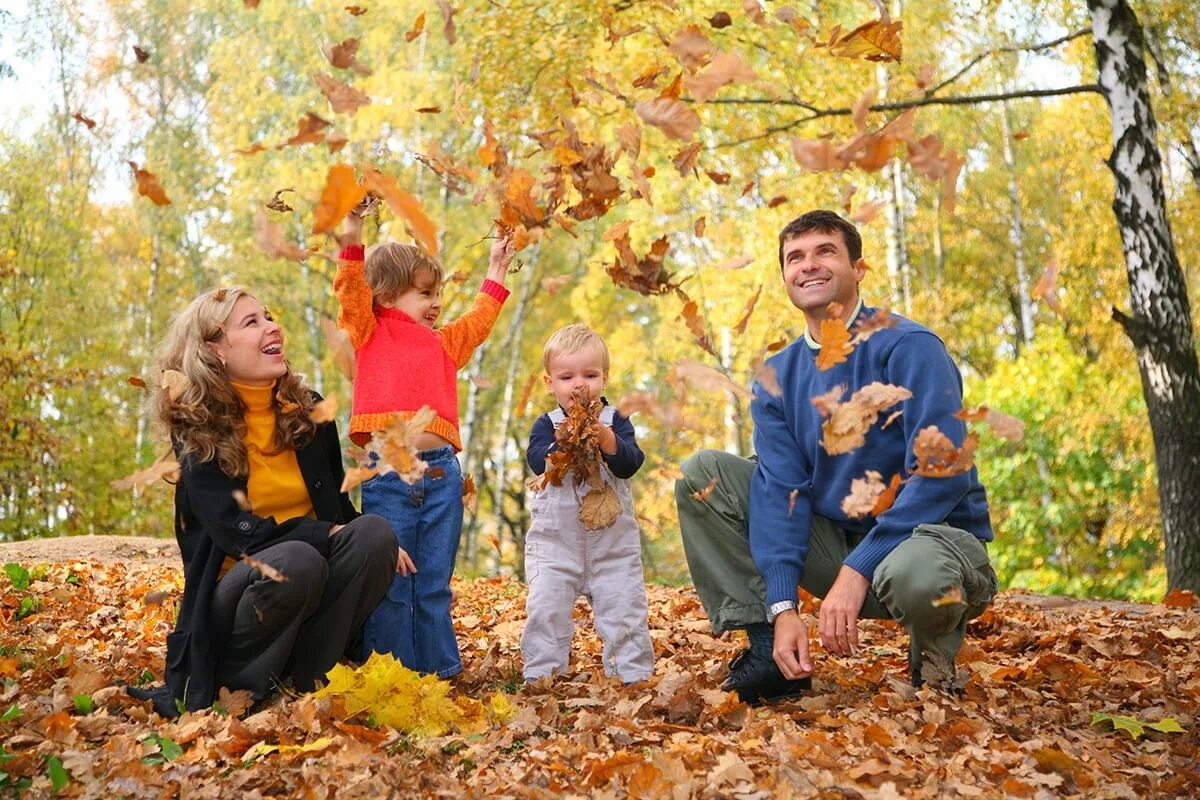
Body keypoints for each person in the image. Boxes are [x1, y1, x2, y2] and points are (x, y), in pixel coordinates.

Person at [675, 209, 996, 704]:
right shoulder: (777, 378)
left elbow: (943, 471)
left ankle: (933, 669)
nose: (809, 266)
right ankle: (771, 652)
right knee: (705, 475)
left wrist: (858, 568)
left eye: (825, 251)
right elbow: (781, 493)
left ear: (858, 268)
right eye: (795, 258)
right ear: (785, 276)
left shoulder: (909, 347)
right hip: (836, 543)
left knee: (918, 575)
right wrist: (783, 607)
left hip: (931, 545)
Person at [129, 287, 405, 718]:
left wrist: (366, 541)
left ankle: (310, 678)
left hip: (309, 571)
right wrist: (325, 534)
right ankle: (240, 692)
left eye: (269, 316)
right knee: (293, 559)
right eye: (251, 322)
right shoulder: (198, 428)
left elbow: (335, 509)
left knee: (374, 533)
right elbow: (240, 535)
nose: (271, 326)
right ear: (215, 349)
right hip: (238, 596)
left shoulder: (308, 410)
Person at [335, 201, 513, 679]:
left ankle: (439, 672)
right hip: (389, 478)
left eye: (437, 294)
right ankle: (391, 673)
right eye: (425, 293)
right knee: (394, 578)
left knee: (433, 581)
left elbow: (479, 320)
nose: (436, 303)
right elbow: (351, 291)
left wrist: (496, 266)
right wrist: (353, 230)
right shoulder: (368, 331)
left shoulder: (443, 343)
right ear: (388, 295)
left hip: (440, 480)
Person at [522, 324, 654, 683]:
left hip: (613, 549)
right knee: (545, 611)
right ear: (550, 383)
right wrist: (562, 446)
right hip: (555, 547)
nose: (579, 385)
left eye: (590, 375)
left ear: (605, 378)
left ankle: (633, 678)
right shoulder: (546, 425)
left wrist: (608, 441)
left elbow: (629, 464)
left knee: (625, 613)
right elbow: (537, 460)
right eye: (567, 377)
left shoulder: (616, 421)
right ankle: (542, 677)